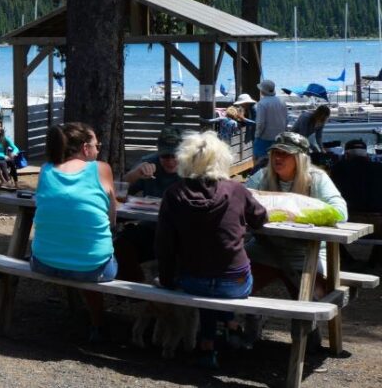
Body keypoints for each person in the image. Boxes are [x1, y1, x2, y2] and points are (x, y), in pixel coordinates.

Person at [156, 131, 268, 369]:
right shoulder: (236, 190)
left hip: (192, 279)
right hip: (235, 281)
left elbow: (164, 244)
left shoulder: (174, 193)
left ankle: (207, 344)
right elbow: (260, 219)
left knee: (206, 285)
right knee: (218, 282)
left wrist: (166, 280)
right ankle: (230, 325)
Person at [31, 122, 116, 342]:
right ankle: (111, 319)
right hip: (93, 269)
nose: (98, 150)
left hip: (44, 262)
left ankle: (88, 317)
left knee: (78, 245)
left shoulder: (45, 170)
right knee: (113, 251)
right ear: (86, 148)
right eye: (97, 145)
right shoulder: (101, 169)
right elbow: (112, 219)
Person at [245, 132, 348, 296]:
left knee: (314, 299)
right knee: (231, 286)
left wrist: (294, 213)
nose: (278, 158)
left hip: (307, 253)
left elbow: (340, 212)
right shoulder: (262, 176)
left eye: (285, 154)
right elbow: (241, 202)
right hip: (264, 248)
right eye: (275, 153)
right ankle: (240, 319)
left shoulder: (317, 178)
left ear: (300, 158)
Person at [114, 126, 183, 282]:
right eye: (165, 156)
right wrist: (135, 174)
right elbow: (120, 190)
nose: (171, 161)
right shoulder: (148, 163)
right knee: (122, 244)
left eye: (175, 155)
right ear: (158, 153)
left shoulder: (192, 167)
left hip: (180, 231)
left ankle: (171, 291)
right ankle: (135, 291)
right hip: (151, 227)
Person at [330, 139, 382, 265]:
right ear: (367, 155)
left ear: (346, 155)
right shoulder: (379, 168)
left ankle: (346, 258)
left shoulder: (338, 169)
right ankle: (376, 259)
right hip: (379, 224)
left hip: (348, 221)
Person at [253, 80, 287, 162]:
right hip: (279, 137)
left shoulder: (262, 103)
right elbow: (287, 120)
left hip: (264, 138)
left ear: (262, 90)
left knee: (261, 162)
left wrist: (257, 136)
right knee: (276, 161)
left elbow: (261, 123)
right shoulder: (282, 101)